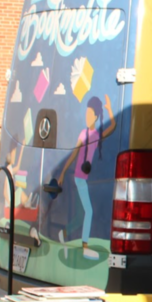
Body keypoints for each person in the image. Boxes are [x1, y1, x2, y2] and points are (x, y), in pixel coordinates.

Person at [60, 94, 116, 260]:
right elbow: (73, 154)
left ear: (96, 116)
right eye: (86, 114)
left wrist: (110, 110)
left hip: (84, 179)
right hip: (79, 178)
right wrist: (63, 171)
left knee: (80, 215)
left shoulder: (96, 135)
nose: (87, 117)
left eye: (90, 114)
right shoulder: (83, 134)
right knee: (89, 212)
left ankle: (64, 233)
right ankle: (84, 247)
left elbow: (112, 125)